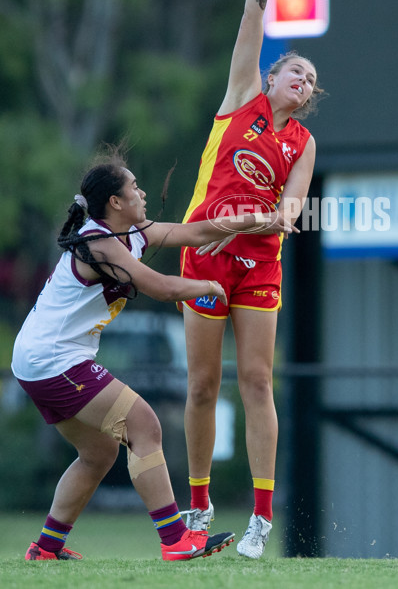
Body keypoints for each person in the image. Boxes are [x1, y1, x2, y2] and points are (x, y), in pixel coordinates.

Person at [11, 146, 295, 561]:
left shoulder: (131, 234)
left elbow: (197, 232)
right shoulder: (101, 241)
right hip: (53, 360)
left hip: (41, 359)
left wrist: (261, 219)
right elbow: (161, 287)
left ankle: (46, 548)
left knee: (99, 452)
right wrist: (208, 287)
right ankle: (175, 540)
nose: (143, 194)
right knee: (144, 425)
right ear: (115, 202)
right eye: (135, 187)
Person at [179, 0, 324, 559]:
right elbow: (252, 17)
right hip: (206, 252)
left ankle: (262, 518)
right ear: (269, 78)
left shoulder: (303, 141)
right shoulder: (243, 97)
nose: (304, 79)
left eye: (311, 79)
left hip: (259, 260)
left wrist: (274, 218)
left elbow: (292, 209)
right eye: (295, 70)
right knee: (202, 385)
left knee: (258, 383)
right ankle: (200, 506)